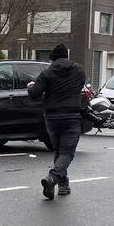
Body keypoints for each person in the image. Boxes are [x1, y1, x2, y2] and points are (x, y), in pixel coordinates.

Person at [27, 43, 86, 200]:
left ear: (53, 59)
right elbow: (80, 85)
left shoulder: (47, 73)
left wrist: (31, 86)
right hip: (72, 116)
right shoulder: (79, 70)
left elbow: (34, 93)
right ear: (67, 56)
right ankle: (53, 178)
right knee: (67, 153)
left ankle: (63, 186)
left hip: (52, 118)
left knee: (59, 151)